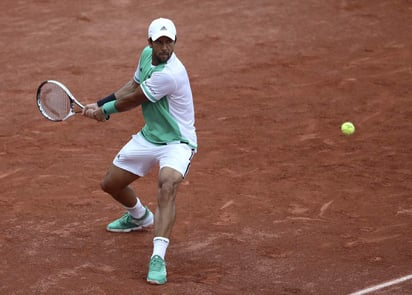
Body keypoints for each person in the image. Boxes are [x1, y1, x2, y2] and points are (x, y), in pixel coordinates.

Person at [82, 17, 197, 285]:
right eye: (159, 42)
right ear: (150, 42)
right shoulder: (146, 56)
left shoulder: (171, 73)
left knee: (167, 183)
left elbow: (135, 99)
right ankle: (139, 217)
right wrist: (99, 103)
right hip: (150, 137)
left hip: (177, 143)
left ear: (175, 42)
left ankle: (158, 256)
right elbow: (132, 86)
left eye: (169, 42)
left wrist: (105, 113)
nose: (165, 48)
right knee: (110, 184)